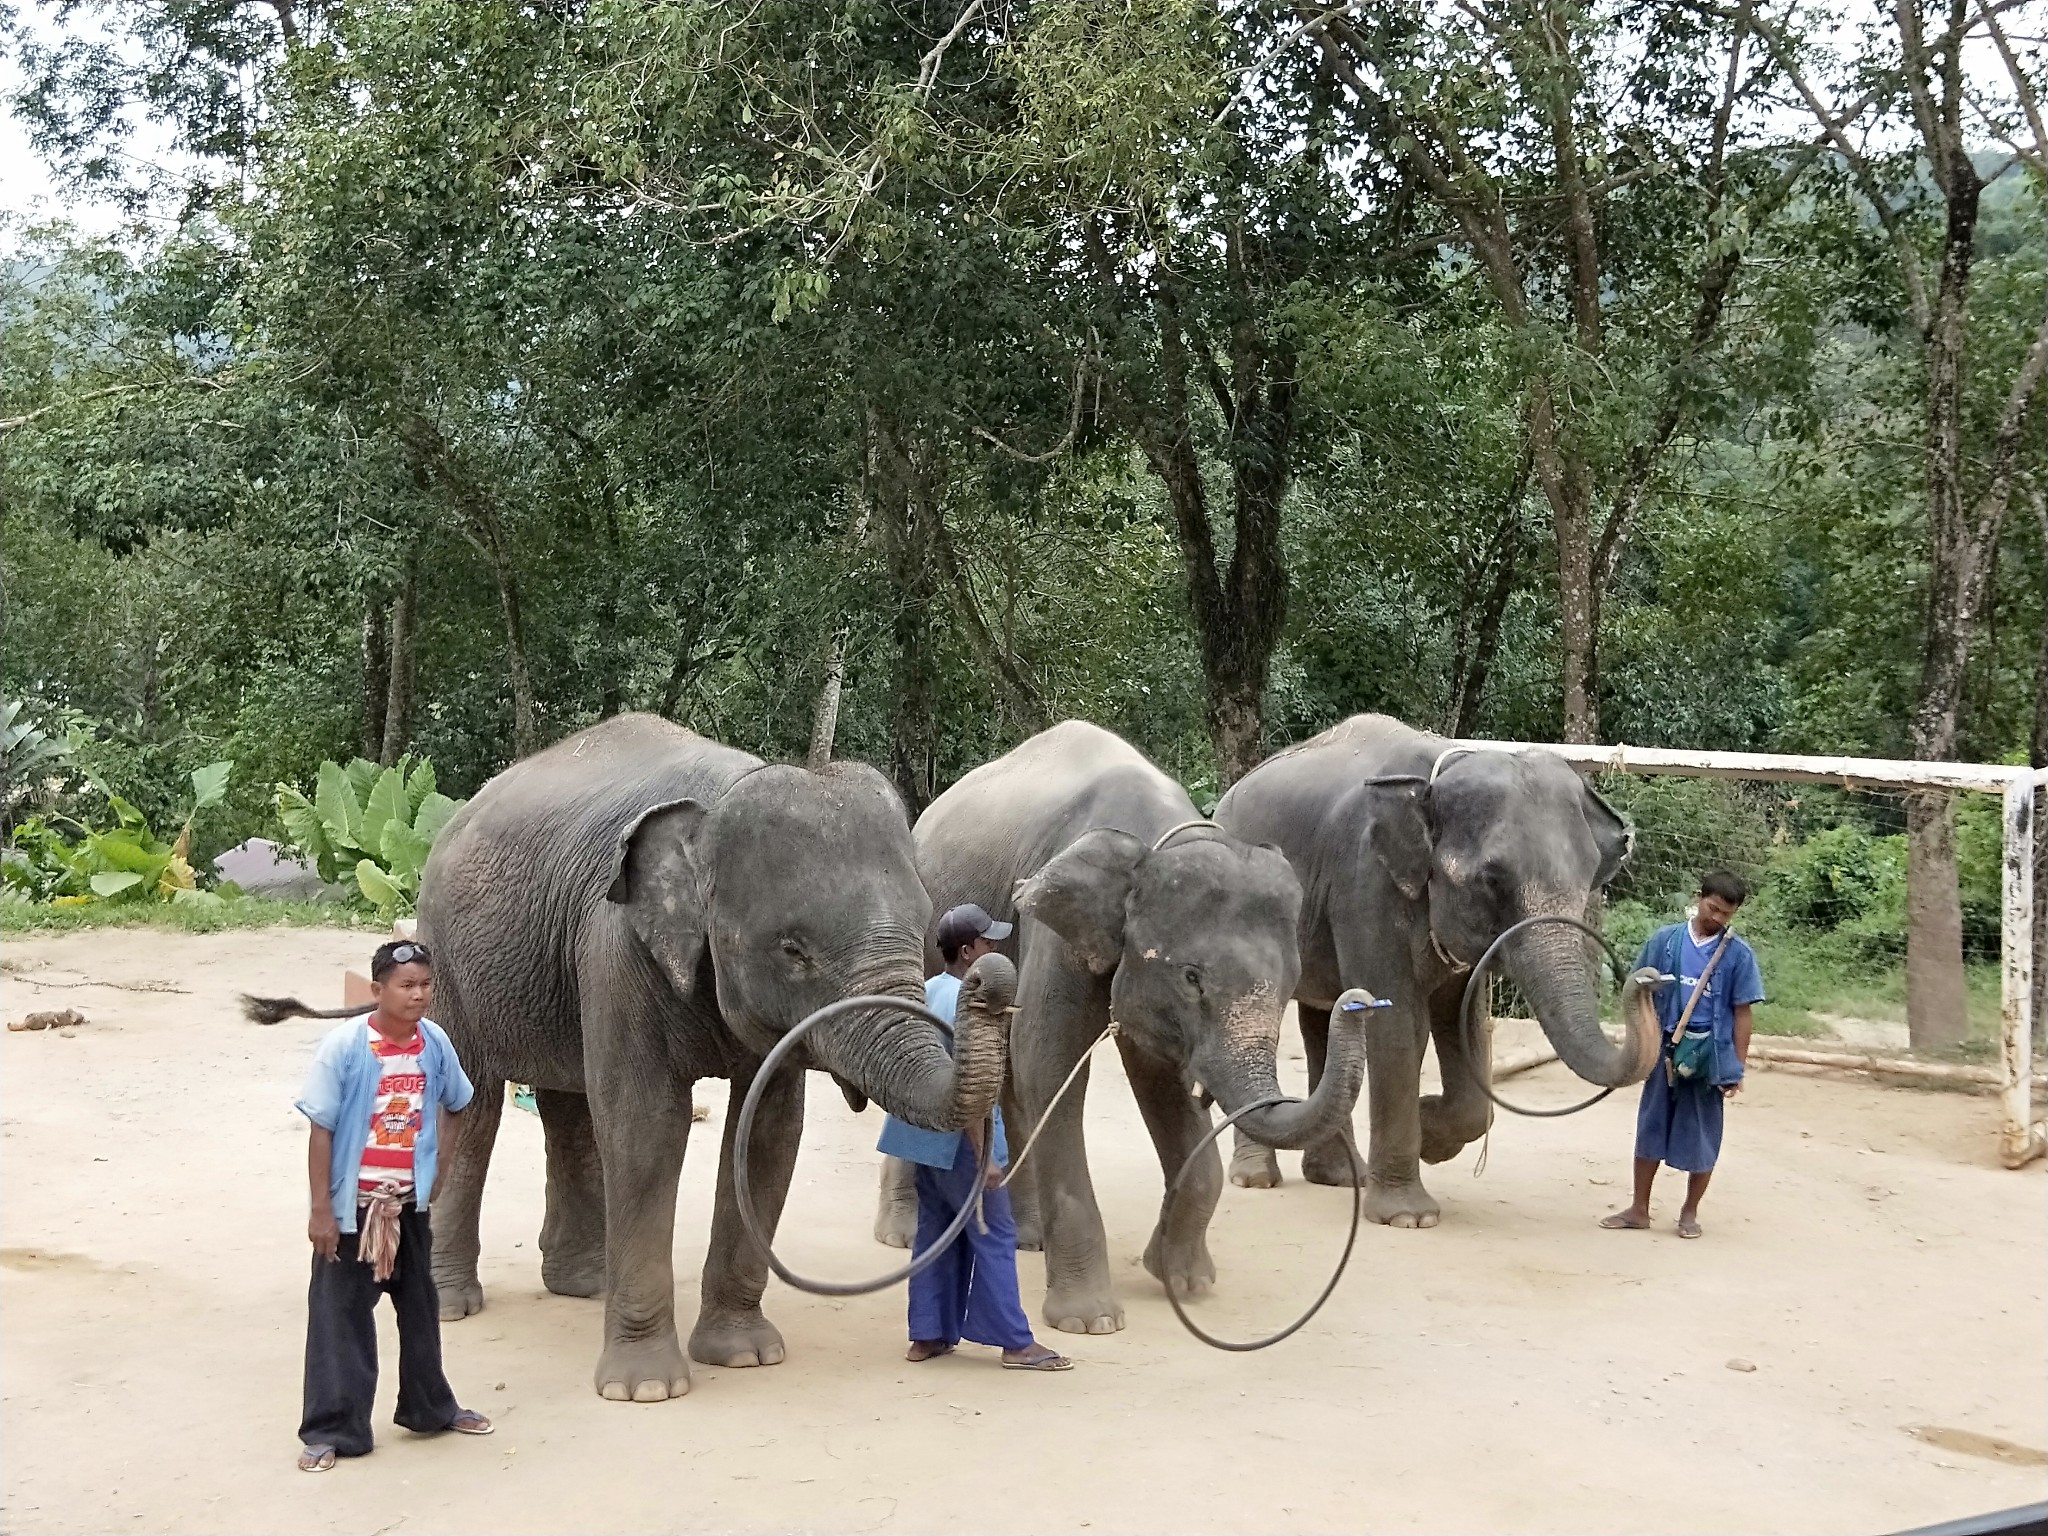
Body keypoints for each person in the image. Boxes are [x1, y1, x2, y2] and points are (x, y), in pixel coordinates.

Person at [291, 941, 494, 1470]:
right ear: (378, 990)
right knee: (340, 1317)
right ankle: (333, 1429)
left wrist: (440, 1171)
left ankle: (431, 1408)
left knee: (421, 1311)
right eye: (406, 985)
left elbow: (457, 1103)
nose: (418, 995)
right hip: (354, 1208)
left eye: (425, 984)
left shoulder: (435, 1044)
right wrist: (322, 1212)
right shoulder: (344, 1047)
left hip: (407, 1206)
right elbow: (321, 1129)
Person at [878, 904, 1072, 1371]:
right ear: (968, 953)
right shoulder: (974, 1002)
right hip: (964, 1144)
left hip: (922, 1141)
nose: (996, 948)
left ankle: (927, 1336)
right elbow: (972, 1088)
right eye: (988, 943)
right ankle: (1015, 1342)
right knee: (995, 1234)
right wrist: (984, 1156)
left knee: (936, 1234)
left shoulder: (926, 992)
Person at [1601, 871, 1765, 1240]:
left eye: (1726, 914)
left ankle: (1689, 1213)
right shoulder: (1666, 941)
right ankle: (1638, 1209)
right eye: (1713, 908)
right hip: (1664, 1053)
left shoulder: (1738, 955)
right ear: (1699, 897)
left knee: (1704, 1136)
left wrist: (1736, 1066)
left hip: (1710, 1059)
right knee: (1650, 1128)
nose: (1717, 919)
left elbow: (1743, 1012)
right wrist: (1638, 1041)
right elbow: (1635, 988)